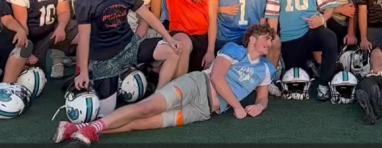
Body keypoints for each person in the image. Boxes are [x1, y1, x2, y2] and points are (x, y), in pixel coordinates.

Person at [55, 24, 277, 145]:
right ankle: (93, 128)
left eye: (271, 40)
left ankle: (79, 129)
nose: (270, 43)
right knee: (146, 108)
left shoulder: (266, 68)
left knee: (144, 123)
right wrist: (238, 107)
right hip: (197, 84)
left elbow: (262, 96)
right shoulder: (233, 49)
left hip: (203, 110)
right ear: (254, 39)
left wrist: (260, 105)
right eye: (266, 38)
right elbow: (217, 78)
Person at [74, 0, 185, 120]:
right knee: (106, 113)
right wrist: (83, 71)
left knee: (173, 50)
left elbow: (147, 15)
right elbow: (84, 38)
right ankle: (88, 83)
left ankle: (157, 97)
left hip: (129, 46)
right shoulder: (86, 1)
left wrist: (169, 38)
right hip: (105, 58)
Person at [266, 0, 339, 100]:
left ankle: (323, 84)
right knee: (296, 76)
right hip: (289, 37)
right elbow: (272, 16)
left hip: (311, 30)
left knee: (329, 37)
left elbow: (330, 5)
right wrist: (272, 41)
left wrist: (322, 18)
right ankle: (309, 65)